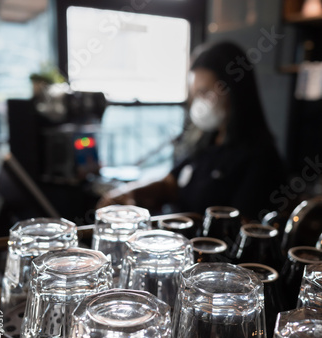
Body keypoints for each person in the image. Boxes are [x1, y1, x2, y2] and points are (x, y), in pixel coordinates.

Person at [97, 41, 287, 221]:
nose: (198, 104)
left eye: (205, 93)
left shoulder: (260, 157)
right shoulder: (206, 141)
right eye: (195, 95)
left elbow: (241, 228)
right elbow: (171, 183)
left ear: (235, 91)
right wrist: (130, 192)